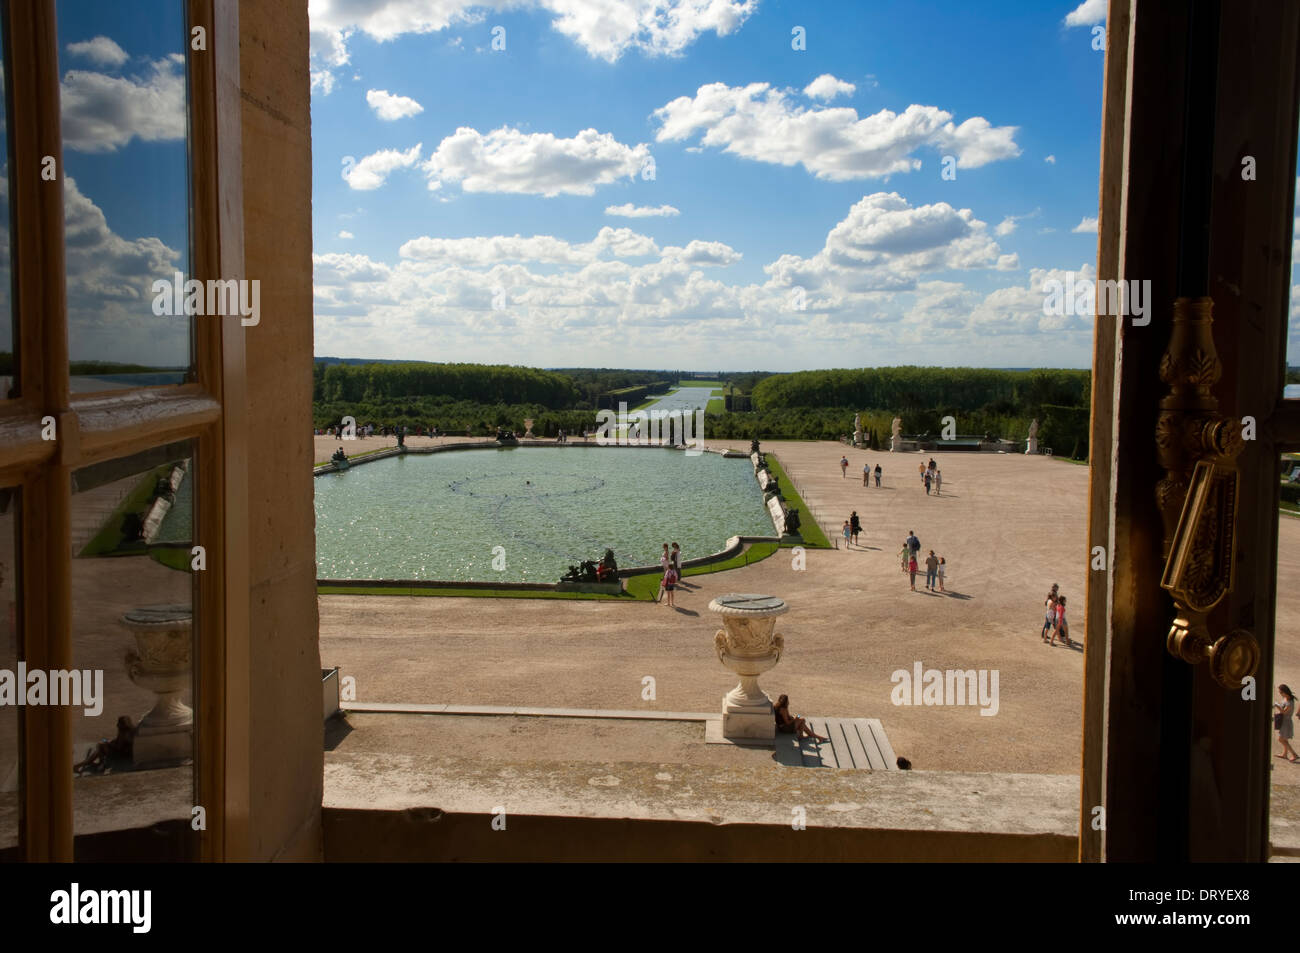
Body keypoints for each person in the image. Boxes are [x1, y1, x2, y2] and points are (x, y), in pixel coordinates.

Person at [1276, 685, 1299, 762]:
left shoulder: (1290, 702)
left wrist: (1277, 706)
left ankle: (1294, 754)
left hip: (1286, 723)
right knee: (1284, 739)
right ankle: (1285, 754)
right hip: (1284, 721)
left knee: (1281, 739)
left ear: (1285, 692)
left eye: (1281, 692)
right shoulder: (1286, 698)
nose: (1280, 694)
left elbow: (1284, 712)